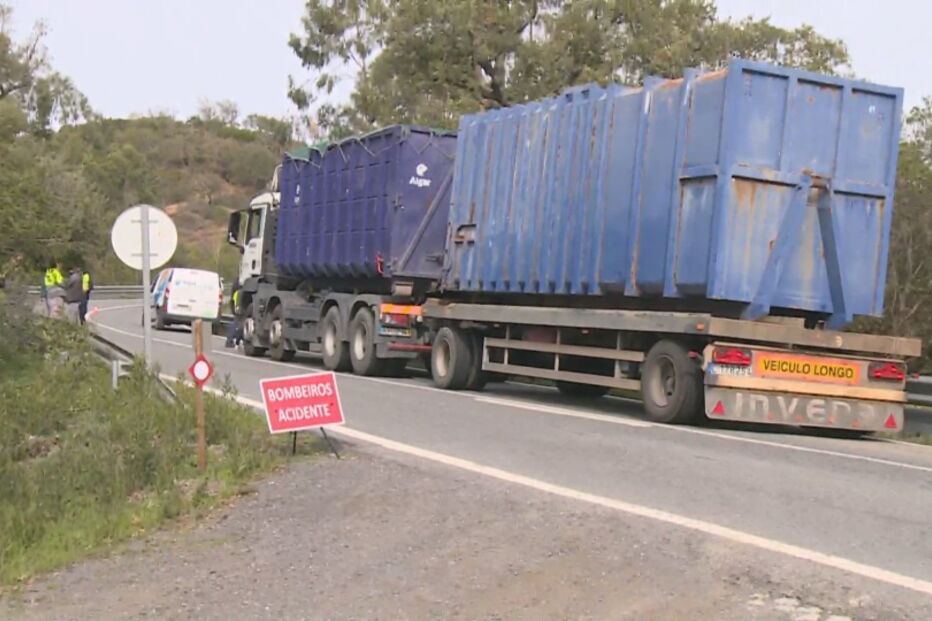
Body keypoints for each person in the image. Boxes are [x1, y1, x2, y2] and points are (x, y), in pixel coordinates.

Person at [225, 278, 244, 348]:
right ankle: (230, 340)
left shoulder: (238, 280)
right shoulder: (240, 282)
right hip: (238, 304)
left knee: (238, 322)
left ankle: (236, 340)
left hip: (236, 303)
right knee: (237, 323)